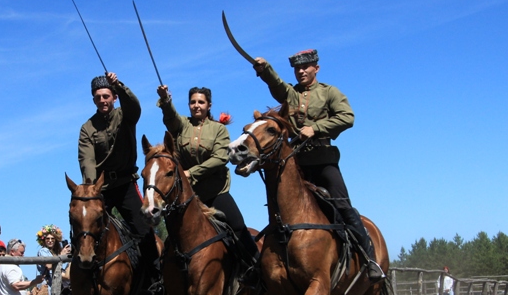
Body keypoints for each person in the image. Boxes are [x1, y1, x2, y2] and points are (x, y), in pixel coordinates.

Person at [252, 50, 384, 280]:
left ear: (316, 68)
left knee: (343, 206)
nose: (301, 71)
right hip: (297, 165)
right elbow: (277, 85)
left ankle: (369, 259)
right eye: (297, 69)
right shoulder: (291, 94)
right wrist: (266, 69)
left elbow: (347, 117)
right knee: (279, 210)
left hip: (323, 162)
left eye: (306, 67)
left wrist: (317, 128)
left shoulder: (329, 92)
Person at [78, 72, 162, 295]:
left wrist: (120, 85)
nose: (102, 100)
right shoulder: (87, 128)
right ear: (93, 100)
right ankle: (79, 282)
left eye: (106, 96)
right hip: (101, 189)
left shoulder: (126, 115)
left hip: (125, 184)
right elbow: (87, 160)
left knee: (143, 229)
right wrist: (91, 188)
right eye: (98, 97)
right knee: (84, 225)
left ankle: (156, 280)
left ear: (114, 97)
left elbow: (135, 106)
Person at [155, 85, 259, 267]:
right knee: (171, 238)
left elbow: (220, 158)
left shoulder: (218, 129)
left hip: (215, 192)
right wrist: (165, 100)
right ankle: (163, 283)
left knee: (237, 225)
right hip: (188, 197)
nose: (196, 106)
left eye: (201, 102)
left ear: (208, 105)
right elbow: (170, 117)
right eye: (193, 102)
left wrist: (191, 173)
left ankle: (256, 269)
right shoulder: (181, 125)